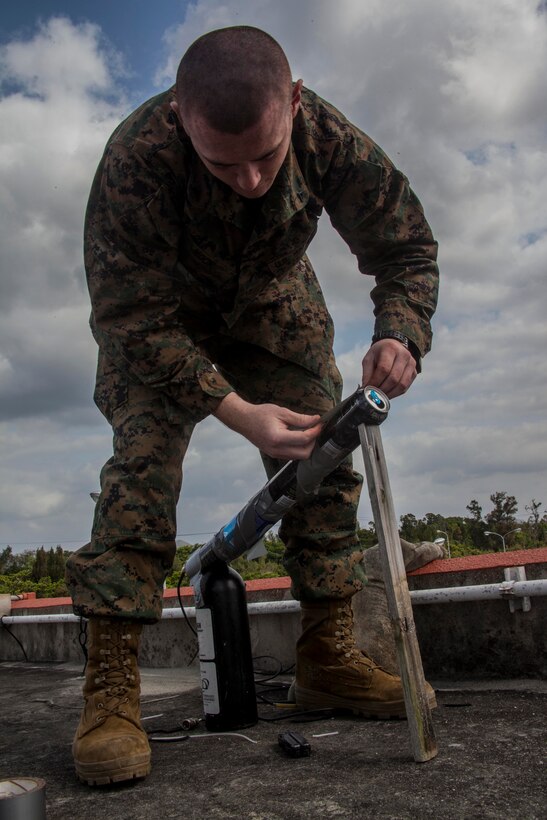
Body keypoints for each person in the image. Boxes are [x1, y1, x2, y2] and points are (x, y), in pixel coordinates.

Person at [65, 25, 439, 786]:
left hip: (272, 301)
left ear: (294, 102)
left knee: (325, 455)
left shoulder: (327, 136)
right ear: (178, 115)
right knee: (141, 472)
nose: (251, 181)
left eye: (266, 157)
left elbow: (403, 247)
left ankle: (327, 657)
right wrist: (233, 408)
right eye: (222, 164)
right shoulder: (134, 161)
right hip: (160, 319)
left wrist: (400, 332)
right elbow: (130, 319)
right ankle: (110, 690)